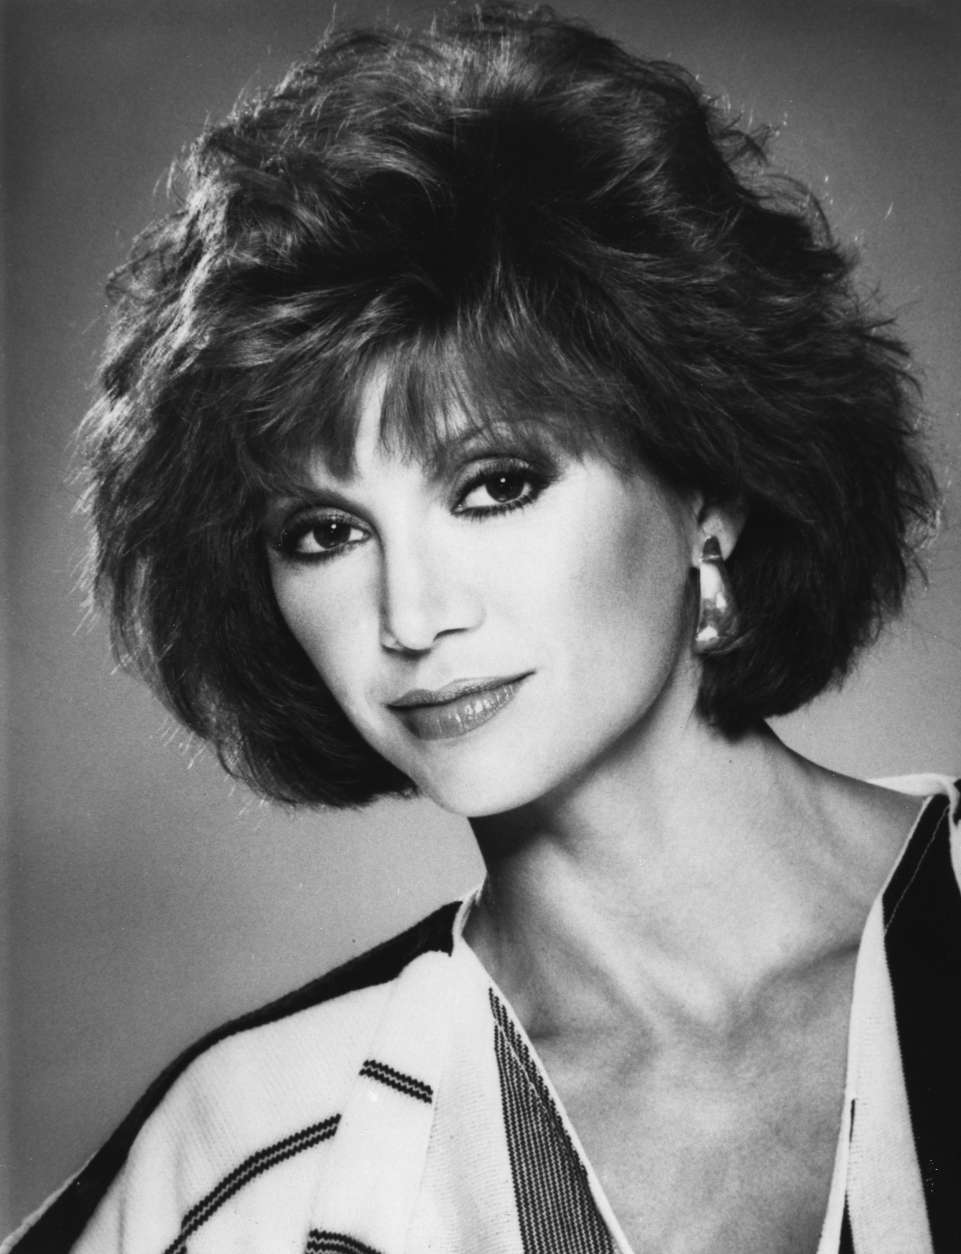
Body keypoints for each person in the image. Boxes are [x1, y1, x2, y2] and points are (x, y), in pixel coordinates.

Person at [5, 3, 957, 1252]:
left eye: (495, 484)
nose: (411, 616)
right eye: (324, 532)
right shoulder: (261, 1144)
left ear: (710, 490)